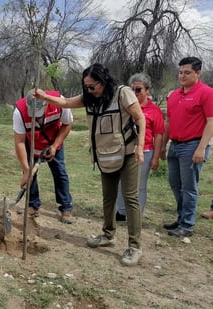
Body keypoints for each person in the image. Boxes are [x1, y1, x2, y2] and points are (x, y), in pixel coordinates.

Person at [34, 63, 146, 266]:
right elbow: (66, 102)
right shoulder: (89, 98)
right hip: (105, 155)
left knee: (130, 199)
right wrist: (44, 97)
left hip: (128, 153)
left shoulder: (123, 93)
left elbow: (140, 118)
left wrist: (139, 147)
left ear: (103, 82)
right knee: (108, 198)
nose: (88, 90)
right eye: (86, 86)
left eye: (92, 86)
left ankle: (134, 246)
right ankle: (107, 235)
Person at [161, 57, 213, 237]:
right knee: (175, 183)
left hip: (193, 145)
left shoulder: (206, 93)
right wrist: (162, 146)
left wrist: (201, 148)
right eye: (180, 72)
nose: (182, 76)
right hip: (174, 145)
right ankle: (181, 217)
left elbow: (211, 122)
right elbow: (168, 122)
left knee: (189, 187)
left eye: (187, 72)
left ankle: (187, 225)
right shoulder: (174, 95)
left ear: (198, 73)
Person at [13, 89, 74, 223]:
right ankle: (32, 205)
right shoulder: (19, 112)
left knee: (60, 172)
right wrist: (26, 170)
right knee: (30, 174)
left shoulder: (59, 102)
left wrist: (54, 145)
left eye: (39, 114)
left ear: (46, 105)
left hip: (53, 141)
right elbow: (19, 142)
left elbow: (67, 124)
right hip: (31, 143)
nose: (36, 117)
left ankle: (66, 207)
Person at [115, 73, 164, 221]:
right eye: (132, 90)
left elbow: (159, 135)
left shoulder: (154, 110)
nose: (135, 93)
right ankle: (121, 212)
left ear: (147, 90)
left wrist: (155, 157)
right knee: (119, 183)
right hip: (124, 150)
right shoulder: (124, 106)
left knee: (139, 186)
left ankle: (136, 214)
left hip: (145, 151)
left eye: (139, 90)